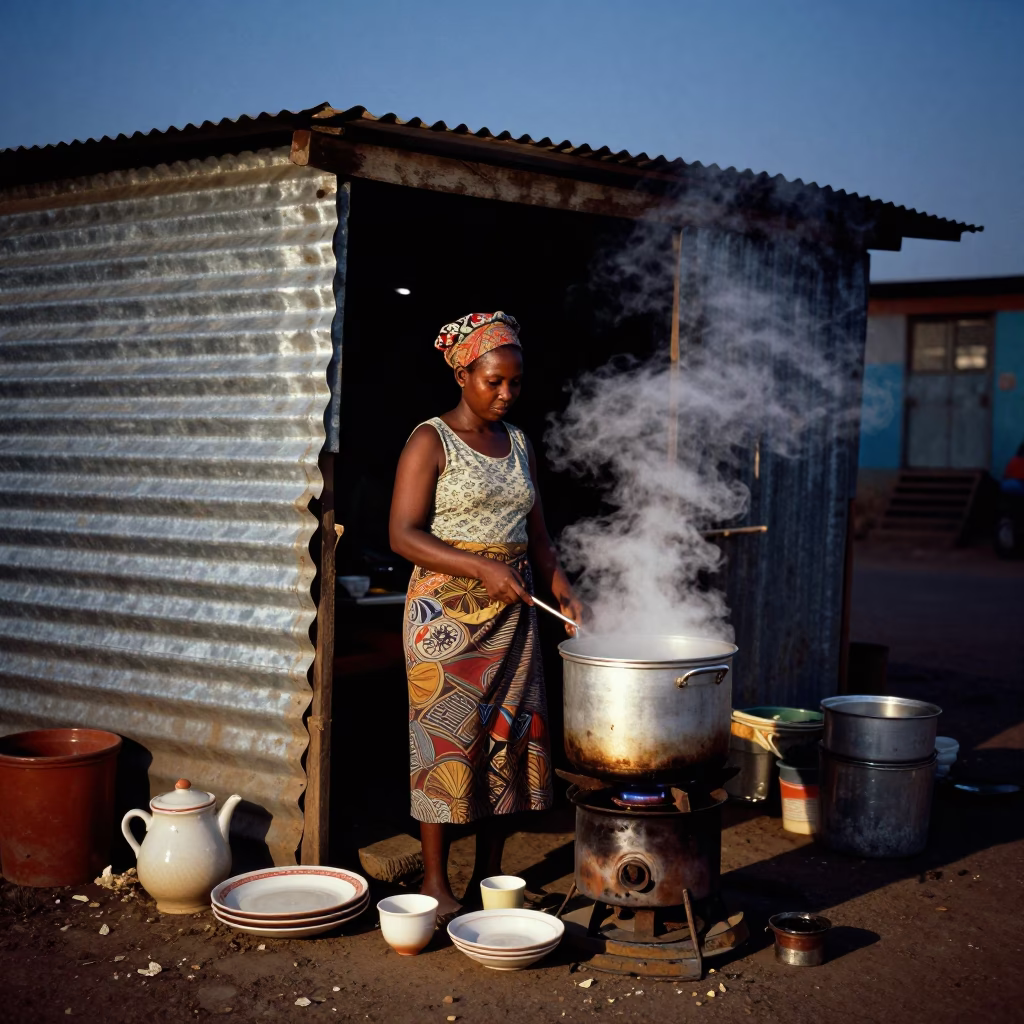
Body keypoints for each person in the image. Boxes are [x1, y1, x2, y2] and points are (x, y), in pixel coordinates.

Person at [389, 311, 583, 920]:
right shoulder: (431, 441)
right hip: (444, 620)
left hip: (513, 615)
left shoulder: (519, 442)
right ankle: (434, 883)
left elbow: (538, 535)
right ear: (462, 375)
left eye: (515, 383)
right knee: (447, 742)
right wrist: (480, 568)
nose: (506, 393)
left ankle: (488, 878)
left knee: (508, 739)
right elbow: (402, 534)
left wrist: (564, 590)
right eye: (493, 381)